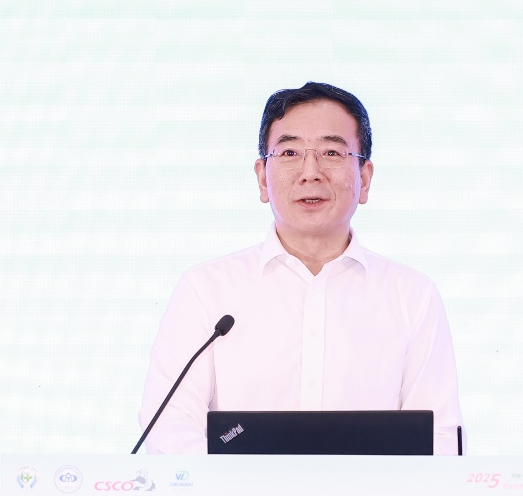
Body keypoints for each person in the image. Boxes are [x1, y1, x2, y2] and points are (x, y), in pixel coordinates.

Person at [138, 82, 462, 455]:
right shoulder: (207, 290)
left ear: (365, 178)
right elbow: (171, 428)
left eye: (332, 152)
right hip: (239, 494)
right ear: (263, 177)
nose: (311, 172)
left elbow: (440, 437)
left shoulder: (412, 296)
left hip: (372, 495)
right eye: (290, 152)